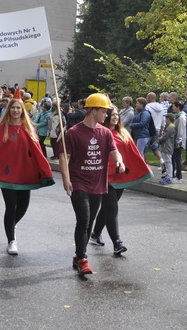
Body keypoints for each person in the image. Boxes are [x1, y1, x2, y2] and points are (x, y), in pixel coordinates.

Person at [0, 89, 55, 255]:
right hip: (7, 175)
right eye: (13, 108)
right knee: (11, 206)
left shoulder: (29, 129)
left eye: (19, 108)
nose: (16, 111)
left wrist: (44, 170)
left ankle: (11, 224)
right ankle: (11, 240)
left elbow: (38, 152)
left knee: (23, 206)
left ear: (22, 110)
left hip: (25, 175)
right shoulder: (3, 128)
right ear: (9, 110)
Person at [59, 93, 125, 276]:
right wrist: (66, 179)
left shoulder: (105, 133)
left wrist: (120, 162)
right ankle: (82, 259)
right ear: (93, 110)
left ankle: (78, 254)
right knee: (83, 220)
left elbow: (115, 152)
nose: (106, 115)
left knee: (89, 224)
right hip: (79, 183)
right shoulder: (73, 133)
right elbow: (64, 157)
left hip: (98, 184)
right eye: (104, 111)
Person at [91, 104, 153, 254]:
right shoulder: (100, 132)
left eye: (117, 114)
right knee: (112, 208)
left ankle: (95, 233)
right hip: (105, 177)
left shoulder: (123, 132)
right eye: (112, 114)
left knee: (107, 208)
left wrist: (142, 169)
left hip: (120, 176)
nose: (115, 116)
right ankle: (117, 242)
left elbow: (132, 153)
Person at [157, 113, 177, 185]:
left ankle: (169, 177)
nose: (165, 120)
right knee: (167, 162)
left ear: (168, 119)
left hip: (167, 147)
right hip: (167, 147)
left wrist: (159, 140)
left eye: (166, 118)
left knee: (168, 162)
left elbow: (165, 138)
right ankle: (168, 176)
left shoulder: (170, 128)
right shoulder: (171, 127)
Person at [171, 101, 186, 184]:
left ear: (178, 107)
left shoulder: (181, 117)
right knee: (175, 158)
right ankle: (174, 175)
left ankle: (179, 177)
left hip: (178, 141)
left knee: (177, 159)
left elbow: (180, 130)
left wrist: (178, 141)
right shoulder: (178, 116)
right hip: (176, 140)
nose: (172, 108)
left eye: (174, 106)